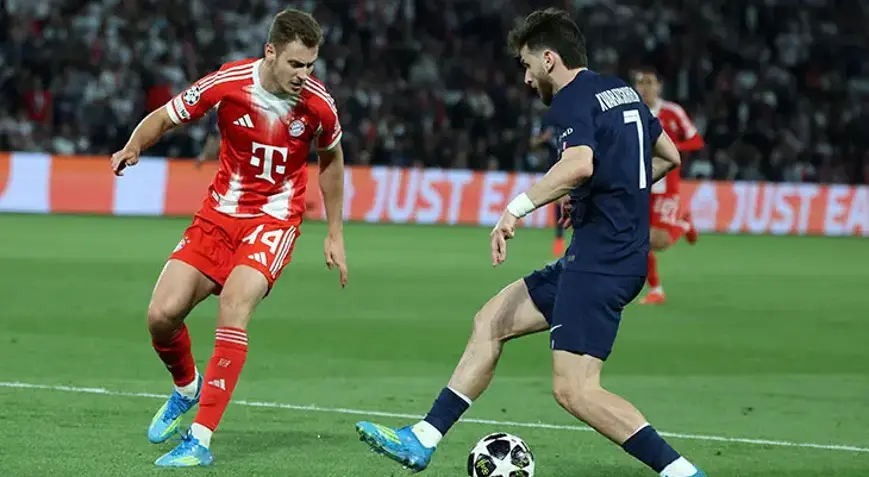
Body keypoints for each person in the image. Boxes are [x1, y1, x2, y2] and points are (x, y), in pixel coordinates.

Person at [355, 9, 706, 477]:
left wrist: (515, 209)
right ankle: (423, 438)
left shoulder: (571, 98)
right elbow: (668, 156)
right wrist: (604, 193)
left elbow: (578, 164)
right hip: (603, 256)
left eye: (526, 65)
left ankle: (682, 472)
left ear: (549, 59)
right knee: (492, 320)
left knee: (576, 390)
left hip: (602, 262)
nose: (525, 78)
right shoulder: (620, 91)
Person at [109, 8, 348, 467]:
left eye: (311, 65)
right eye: (296, 64)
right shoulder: (228, 83)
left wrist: (335, 232)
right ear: (270, 52)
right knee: (161, 316)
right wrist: (133, 146)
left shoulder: (319, 104)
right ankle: (187, 388)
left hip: (273, 221)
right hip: (218, 217)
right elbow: (166, 116)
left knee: (233, 308)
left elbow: (332, 159)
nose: (304, 75)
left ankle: (199, 440)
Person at [632, 69, 703, 305]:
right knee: (638, 240)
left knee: (658, 242)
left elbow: (696, 140)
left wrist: (671, 149)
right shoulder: (630, 111)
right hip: (639, 183)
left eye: (649, 82)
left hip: (665, 185)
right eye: (640, 82)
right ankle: (656, 290)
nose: (645, 87)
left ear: (659, 86)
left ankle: (683, 225)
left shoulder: (672, 112)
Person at [529, 124, 569, 256]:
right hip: (554, 168)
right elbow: (533, 143)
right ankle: (559, 239)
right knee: (559, 202)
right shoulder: (547, 122)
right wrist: (544, 138)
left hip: (572, 165)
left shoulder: (568, 120)